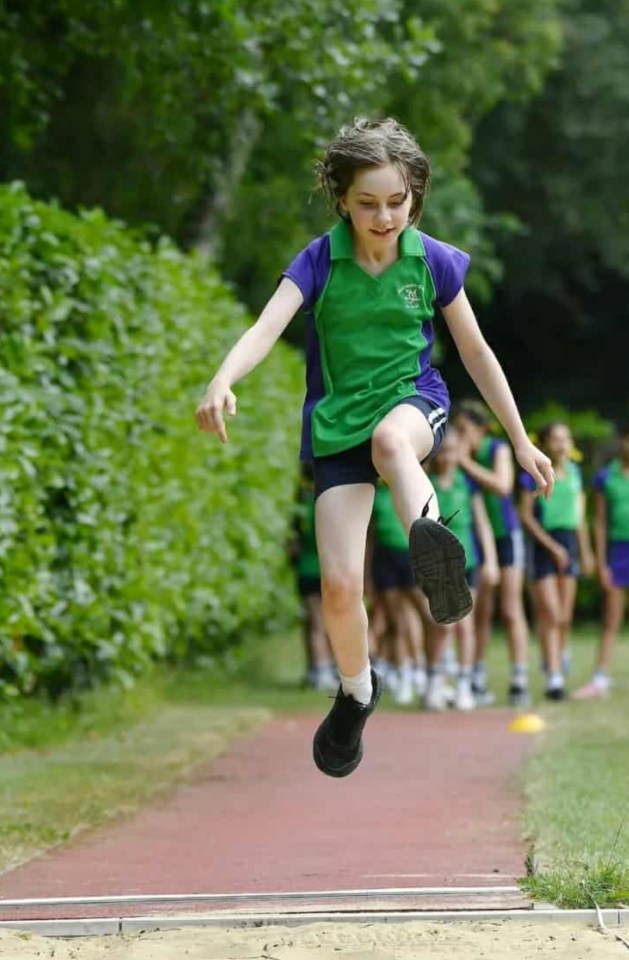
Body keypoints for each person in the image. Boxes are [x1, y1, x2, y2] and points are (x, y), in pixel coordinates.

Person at [195, 117, 554, 778]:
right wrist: (221, 379)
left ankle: (430, 541)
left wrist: (519, 438)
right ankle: (357, 692)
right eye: (367, 203)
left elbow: (474, 352)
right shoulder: (317, 261)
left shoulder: (434, 261)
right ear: (341, 200)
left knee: (393, 440)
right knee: (338, 587)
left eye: (396, 201)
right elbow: (265, 327)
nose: (383, 216)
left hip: (412, 403)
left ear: (414, 195)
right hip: (336, 428)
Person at [455, 400, 532, 707]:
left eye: (464, 431)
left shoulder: (496, 449)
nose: (459, 437)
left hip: (506, 535)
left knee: (511, 609)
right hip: (476, 538)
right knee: (481, 610)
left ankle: (519, 678)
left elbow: (502, 486)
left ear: (481, 429)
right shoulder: (456, 458)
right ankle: (476, 674)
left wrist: (466, 463)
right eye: (455, 431)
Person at [520, 422, 594, 700]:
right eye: (556, 439)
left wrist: (585, 552)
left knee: (563, 616)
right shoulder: (534, 474)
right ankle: (553, 676)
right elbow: (526, 516)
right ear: (545, 443)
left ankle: (556, 659)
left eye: (566, 438)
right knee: (550, 613)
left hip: (569, 544)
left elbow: (579, 519)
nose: (562, 444)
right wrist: (552, 547)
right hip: (544, 546)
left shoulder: (575, 473)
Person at [428, 427, 500, 710]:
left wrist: (491, 560)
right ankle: (434, 680)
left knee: (465, 625)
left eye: (453, 451)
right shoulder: (426, 483)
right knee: (443, 624)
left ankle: (463, 683)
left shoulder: (468, 486)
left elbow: (482, 524)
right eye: (443, 451)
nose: (448, 457)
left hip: (467, 562)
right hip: (437, 565)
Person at [573, 424, 629, 699]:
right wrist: (603, 562)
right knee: (611, 618)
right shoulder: (606, 477)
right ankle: (599, 678)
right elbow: (601, 524)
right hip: (618, 552)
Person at [370, 480, 426, 705]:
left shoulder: (413, 485)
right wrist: (366, 576)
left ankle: (422, 667)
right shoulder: (376, 493)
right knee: (397, 620)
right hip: (385, 557)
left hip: (411, 556)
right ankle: (404, 672)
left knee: (423, 614)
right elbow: (370, 536)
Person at [289, 462, 337, 691]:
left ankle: (320, 667)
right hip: (319, 567)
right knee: (321, 621)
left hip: (314, 568)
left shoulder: (304, 499)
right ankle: (321, 668)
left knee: (317, 621)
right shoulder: (325, 498)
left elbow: (292, 540)